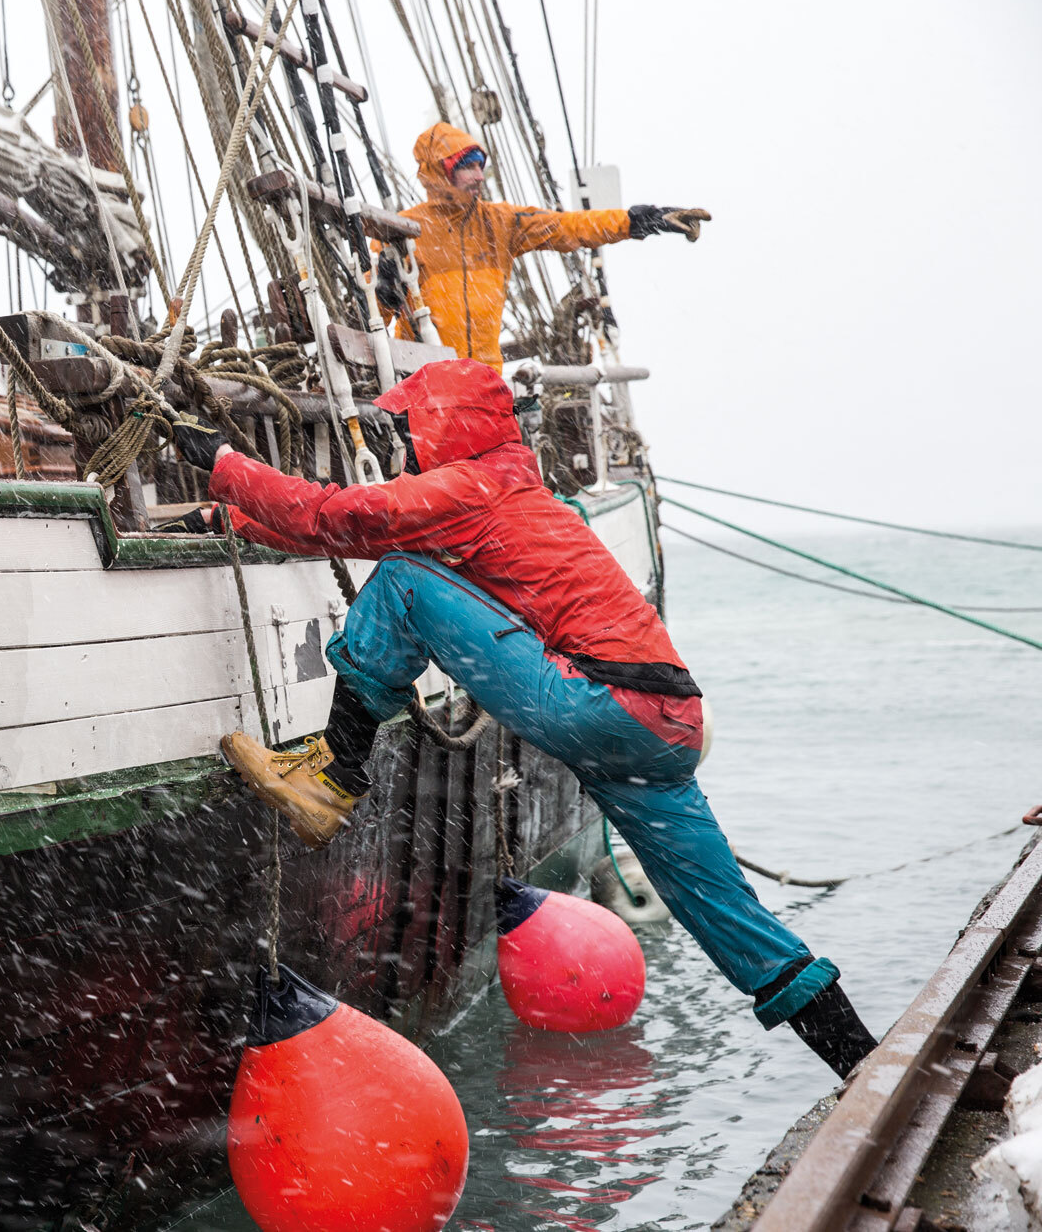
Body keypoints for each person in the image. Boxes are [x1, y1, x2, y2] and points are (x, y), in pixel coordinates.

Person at [166, 360, 879, 1078]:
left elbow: (349, 516)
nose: (405, 448)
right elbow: (351, 530)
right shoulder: (513, 492)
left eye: (410, 429)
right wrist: (233, 517)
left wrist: (226, 465)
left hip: (602, 703)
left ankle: (332, 776)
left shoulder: (470, 485)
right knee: (734, 923)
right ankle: (863, 1067)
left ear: (441, 423)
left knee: (405, 587)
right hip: (667, 727)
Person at [377, 122, 709, 370]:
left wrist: (640, 221)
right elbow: (370, 318)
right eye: (467, 167)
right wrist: (382, 289)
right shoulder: (402, 231)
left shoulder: (501, 223)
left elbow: (569, 226)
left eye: (481, 166)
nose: (479, 176)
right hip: (423, 385)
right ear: (438, 173)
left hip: (483, 384)